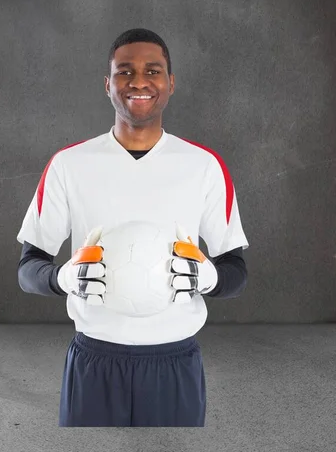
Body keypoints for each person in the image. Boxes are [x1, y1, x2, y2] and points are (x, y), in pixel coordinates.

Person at [17, 28, 249, 427]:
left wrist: (210, 277)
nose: (138, 81)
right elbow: (27, 270)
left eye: (152, 71)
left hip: (174, 363)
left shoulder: (204, 166)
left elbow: (237, 271)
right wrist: (62, 278)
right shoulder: (69, 164)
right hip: (95, 361)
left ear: (170, 83)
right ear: (108, 85)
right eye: (125, 72)